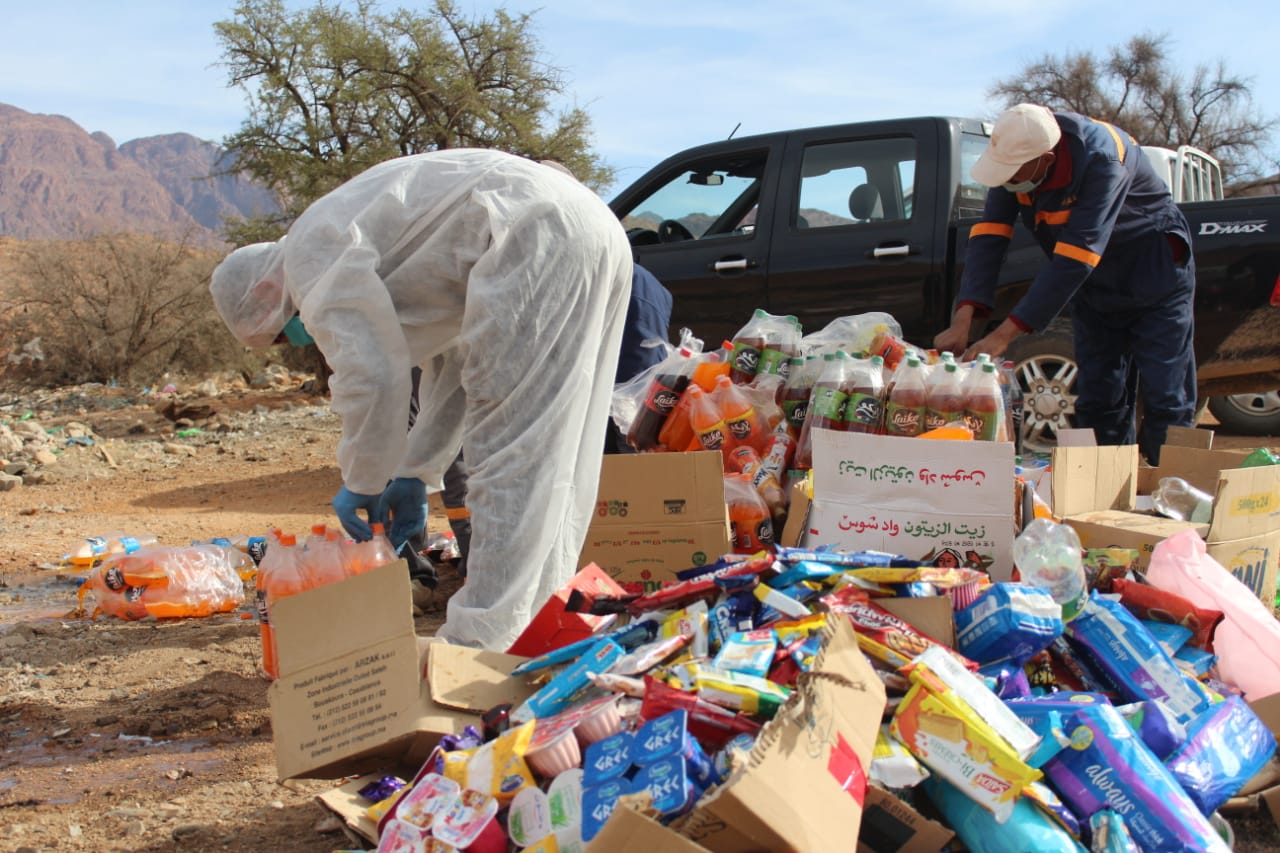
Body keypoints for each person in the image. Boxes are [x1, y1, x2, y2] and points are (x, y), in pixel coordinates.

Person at [210, 149, 633, 651]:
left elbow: (370, 373)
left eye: (281, 336)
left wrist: (363, 479)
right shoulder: (362, 240)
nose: (299, 341)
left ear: (264, 294)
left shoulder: (310, 254)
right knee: (556, 456)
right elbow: (454, 368)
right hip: (588, 228)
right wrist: (415, 471)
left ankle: (478, 651)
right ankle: (540, 630)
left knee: (511, 459)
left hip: (531, 235)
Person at [934, 104, 1195, 465]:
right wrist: (964, 317)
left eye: (1014, 174)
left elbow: (1076, 256)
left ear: (1047, 158)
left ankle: (1169, 494)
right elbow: (989, 238)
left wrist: (1002, 336)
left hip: (1154, 273)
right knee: (1099, 396)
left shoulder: (1104, 158)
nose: (1008, 180)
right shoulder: (1016, 166)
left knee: (1167, 394)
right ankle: (1108, 492)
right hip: (1094, 286)